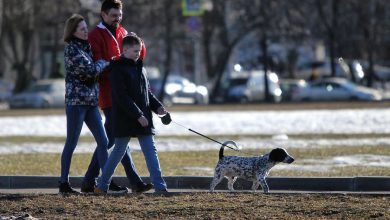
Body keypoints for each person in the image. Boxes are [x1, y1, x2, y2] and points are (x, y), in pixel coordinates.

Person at [81, 0, 152, 193]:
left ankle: (127, 181)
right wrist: (115, 63)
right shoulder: (96, 35)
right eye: (114, 15)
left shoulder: (123, 33)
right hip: (109, 95)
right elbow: (96, 64)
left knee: (118, 139)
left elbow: (138, 55)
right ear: (103, 14)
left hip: (126, 97)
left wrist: (140, 44)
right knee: (113, 140)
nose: (117, 18)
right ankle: (93, 180)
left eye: (119, 15)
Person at [94, 35, 168, 193]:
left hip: (143, 118)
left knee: (150, 150)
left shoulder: (141, 67)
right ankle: (102, 185)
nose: (138, 54)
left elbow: (147, 93)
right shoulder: (116, 69)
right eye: (135, 51)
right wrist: (138, 115)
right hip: (125, 119)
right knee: (118, 151)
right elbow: (122, 97)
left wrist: (158, 107)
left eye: (139, 51)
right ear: (124, 49)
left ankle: (160, 188)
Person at [59, 14, 110, 194]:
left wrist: (100, 64)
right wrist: (103, 62)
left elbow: (93, 71)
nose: (86, 30)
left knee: (104, 141)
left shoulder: (86, 47)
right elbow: (89, 71)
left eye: (86, 27)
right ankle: (63, 183)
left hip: (90, 102)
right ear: (73, 32)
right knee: (72, 142)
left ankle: (104, 184)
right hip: (76, 103)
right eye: (82, 28)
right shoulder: (72, 49)